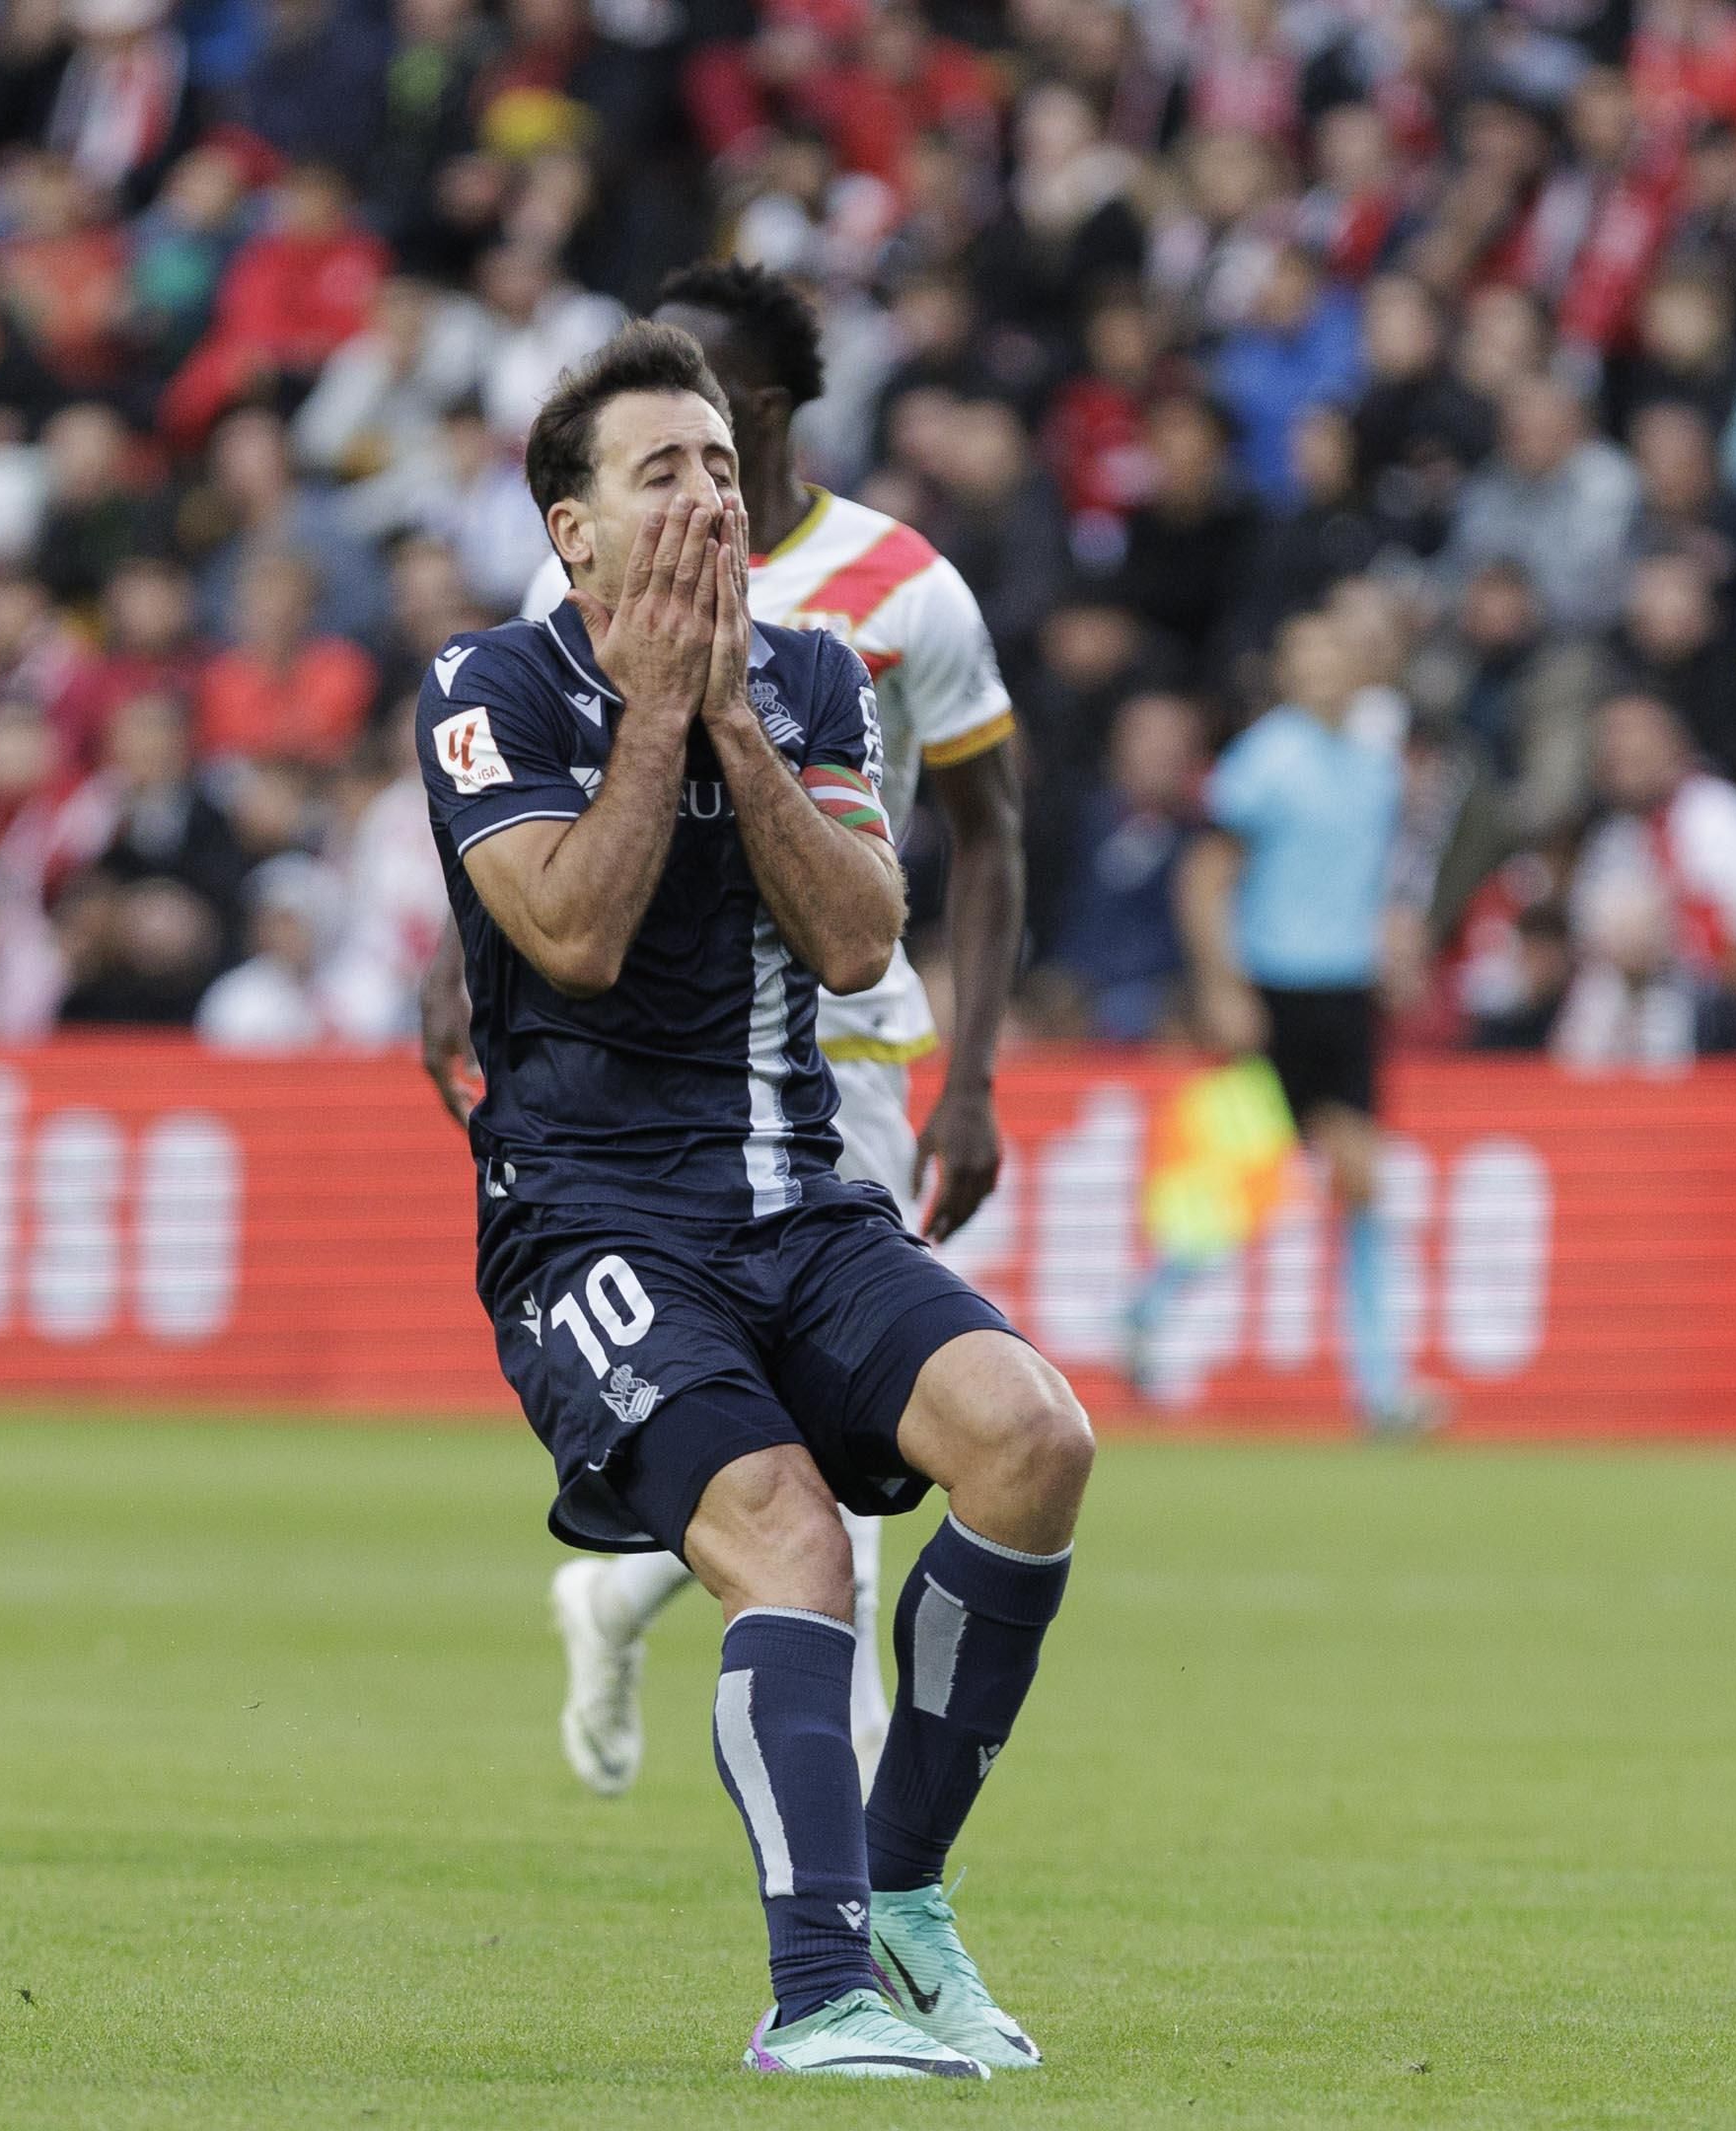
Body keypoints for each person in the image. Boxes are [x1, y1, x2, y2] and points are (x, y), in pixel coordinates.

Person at [416, 323, 1086, 2080]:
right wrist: (656, 716)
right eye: (665, 469)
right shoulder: (486, 689)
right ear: (573, 531)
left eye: (723, 465)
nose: (711, 496)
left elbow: (864, 935)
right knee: (788, 1537)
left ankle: (910, 1896)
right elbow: (570, 934)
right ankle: (818, 1998)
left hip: (802, 1201)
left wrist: (724, 708)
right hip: (592, 1227)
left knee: (1033, 1441)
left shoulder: (809, 675)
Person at [1137, 605, 1429, 1433]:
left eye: (1330, 654)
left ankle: (1381, 1389)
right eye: (1304, 658)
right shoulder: (1265, 761)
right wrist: (1222, 984)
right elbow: (1204, 876)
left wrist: (1393, 947)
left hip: (1347, 991)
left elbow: (1378, 878)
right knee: (1258, 1181)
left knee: (1352, 1182)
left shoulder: (1377, 765)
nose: (1320, 671)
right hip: (1277, 990)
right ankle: (1154, 1311)